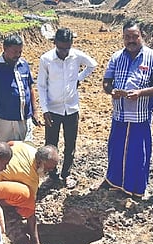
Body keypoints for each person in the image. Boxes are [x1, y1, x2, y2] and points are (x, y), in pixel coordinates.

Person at [102, 19, 153, 199]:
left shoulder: (152, 57)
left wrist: (140, 93)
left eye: (134, 36)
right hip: (120, 114)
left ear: (142, 36)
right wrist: (112, 91)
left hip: (140, 115)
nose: (131, 40)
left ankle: (135, 188)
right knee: (116, 149)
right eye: (127, 37)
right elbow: (106, 82)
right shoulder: (116, 57)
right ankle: (114, 182)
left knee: (137, 154)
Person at [37, 27, 97, 189]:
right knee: (51, 144)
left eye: (67, 48)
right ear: (54, 43)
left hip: (71, 108)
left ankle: (66, 174)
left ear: (71, 44)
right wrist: (45, 109)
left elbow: (92, 65)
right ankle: (52, 175)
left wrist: (79, 78)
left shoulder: (76, 56)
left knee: (70, 144)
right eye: (61, 48)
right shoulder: (46, 59)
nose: (64, 52)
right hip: (53, 110)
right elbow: (41, 86)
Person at [0, 141, 59, 244]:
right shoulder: (31, 178)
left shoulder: (28, 148)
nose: (50, 171)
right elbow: (30, 212)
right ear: (39, 162)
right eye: (48, 168)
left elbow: (11, 143)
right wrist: (36, 243)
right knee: (25, 195)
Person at [0, 33, 40, 142]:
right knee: (7, 151)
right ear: (5, 49)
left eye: (20, 52)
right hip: (6, 121)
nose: (17, 55)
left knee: (26, 150)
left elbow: (30, 89)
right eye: (14, 52)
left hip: (25, 118)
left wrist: (34, 112)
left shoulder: (24, 65)